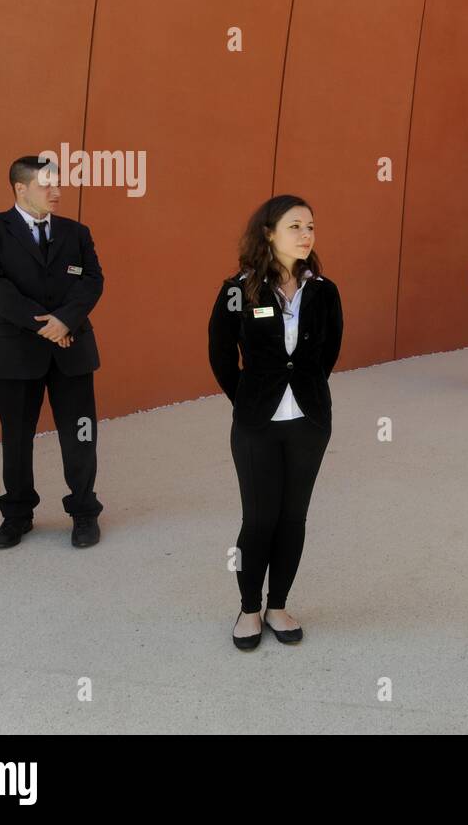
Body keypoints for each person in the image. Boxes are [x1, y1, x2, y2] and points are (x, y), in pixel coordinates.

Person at [208, 195, 343, 650]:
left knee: (293, 516)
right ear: (268, 232)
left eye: (311, 226)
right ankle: (249, 608)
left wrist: (303, 389)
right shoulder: (238, 289)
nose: (307, 235)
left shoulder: (323, 290)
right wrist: (247, 397)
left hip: (308, 421)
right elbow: (221, 353)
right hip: (256, 423)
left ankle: (279, 604)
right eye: (295, 226)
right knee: (260, 516)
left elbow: (328, 353)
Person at [0, 156, 105, 549]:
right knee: (16, 437)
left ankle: (83, 512)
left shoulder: (76, 233)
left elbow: (92, 281)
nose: (57, 192)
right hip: (14, 354)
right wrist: (48, 325)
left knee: (81, 436)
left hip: (72, 348)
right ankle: (17, 515)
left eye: (58, 184)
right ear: (20, 188)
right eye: (47, 185)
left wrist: (66, 321)